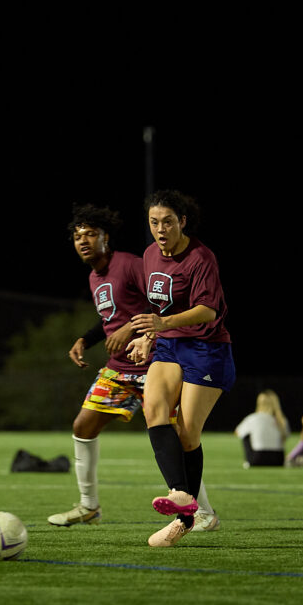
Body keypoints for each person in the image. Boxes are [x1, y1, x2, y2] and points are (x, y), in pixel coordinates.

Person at [52, 204, 220, 530]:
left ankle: (202, 511)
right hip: (118, 369)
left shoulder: (130, 264)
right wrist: (85, 340)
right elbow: (109, 320)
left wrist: (133, 330)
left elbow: (161, 302)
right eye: (77, 236)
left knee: (179, 436)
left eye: (91, 234)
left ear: (106, 237)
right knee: (83, 426)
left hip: (154, 361)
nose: (83, 241)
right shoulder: (94, 277)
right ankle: (89, 507)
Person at [127, 190, 235, 547]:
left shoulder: (201, 258)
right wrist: (148, 336)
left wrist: (163, 324)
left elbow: (208, 310)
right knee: (154, 410)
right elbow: (156, 306)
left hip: (206, 348)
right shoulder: (149, 255)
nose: (160, 229)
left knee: (187, 434)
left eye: (168, 222)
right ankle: (181, 498)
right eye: (154, 222)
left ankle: (189, 516)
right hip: (170, 345)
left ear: (182, 222)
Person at [235, 389, 289, 467]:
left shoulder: (253, 418)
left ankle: (248, 462)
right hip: (278, 459)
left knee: (245, 436)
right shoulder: (282, 420)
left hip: (257, 458)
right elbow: (286, 436)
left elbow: (238, 432)